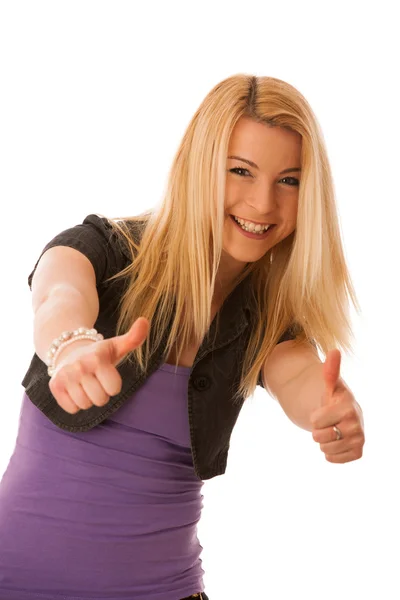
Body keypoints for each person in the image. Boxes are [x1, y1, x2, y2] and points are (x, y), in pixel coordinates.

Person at [0, 74, 365, 600]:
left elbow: (300, 374)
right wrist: (72, 346)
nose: (263, 203)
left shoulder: (267, 317)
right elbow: (58, 293)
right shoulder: (105, 249)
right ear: (198, 167)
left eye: (290, 180)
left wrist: (327, 410)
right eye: (241, 171)